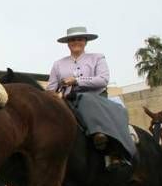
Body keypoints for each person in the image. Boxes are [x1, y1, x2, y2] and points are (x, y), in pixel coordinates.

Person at [47, 26, 135, 166]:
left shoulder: (97, 58)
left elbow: (103, 80)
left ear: (86, 41)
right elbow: (51, 88)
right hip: (68, 101)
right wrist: (54, 96)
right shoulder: (58, 64)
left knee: (86, 99)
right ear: (68, 43)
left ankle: (111, 149)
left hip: (96, 99)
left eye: (80, 39)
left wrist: (76, 81)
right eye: (72, 40)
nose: (76, 42)